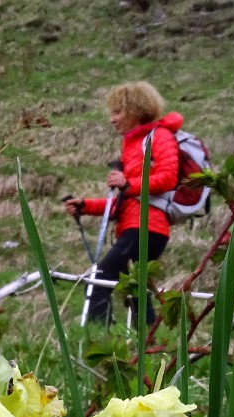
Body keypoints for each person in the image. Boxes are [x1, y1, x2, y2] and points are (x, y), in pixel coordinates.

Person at [64, 82, 183, 326]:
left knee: (101, 276)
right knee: (137, 285)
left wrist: (128, 183)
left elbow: (169, 177)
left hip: (147, 227)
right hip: (139, 226)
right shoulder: (133, 145)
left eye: (117, 112)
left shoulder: (159, 137)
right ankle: (147, 339)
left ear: (135, 111)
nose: (112, 119)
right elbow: (125, 202)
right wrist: (85, 205)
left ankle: (98, 333)